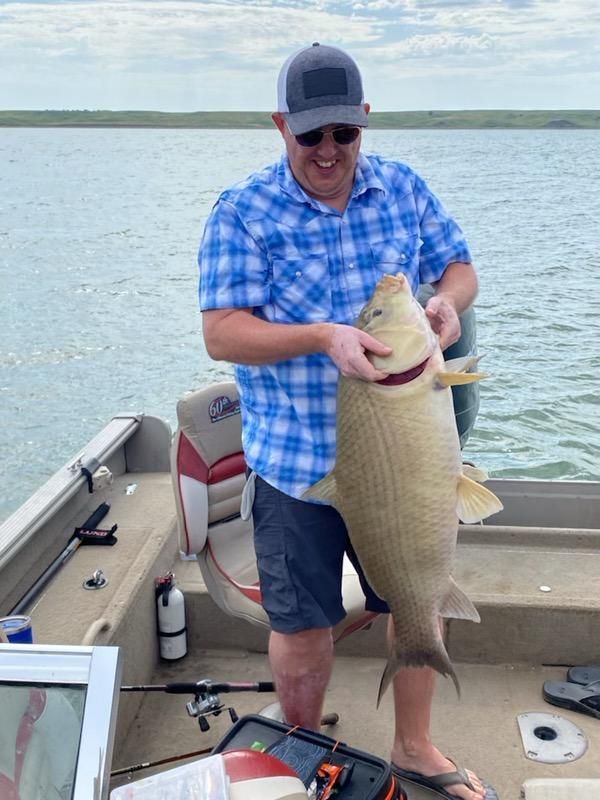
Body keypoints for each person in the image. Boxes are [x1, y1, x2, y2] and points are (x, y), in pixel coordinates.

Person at [199, 42, 495, 800]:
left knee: (415, 596)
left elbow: (460, 267)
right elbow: (223, 332)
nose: (328, 151)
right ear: (281, 127)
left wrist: (445, 307)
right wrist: (322, 335)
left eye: (343, 133)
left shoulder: (403, 187)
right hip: (296, 465)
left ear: (363, 122)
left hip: (407, 461)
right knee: (299, 624)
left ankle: (416, 746)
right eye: (310, 136)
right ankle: (300, 748)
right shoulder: (241, 210)